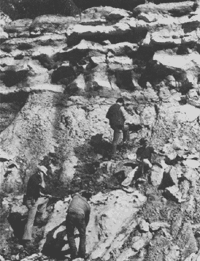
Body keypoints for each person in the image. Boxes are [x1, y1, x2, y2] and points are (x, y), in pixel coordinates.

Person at [22, 165, 50, 245]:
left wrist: (44, 195)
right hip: (31, 201)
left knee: (46, 199)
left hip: (34, 199)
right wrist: (42, 178)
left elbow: (38, 191)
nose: (43, 175)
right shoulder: (34, 179)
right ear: (39, 172)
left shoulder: (37, 178)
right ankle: (26, 239)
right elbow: (42, 186)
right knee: (30, 220)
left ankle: (38, 218)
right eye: (43, 173)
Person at [66, 190, 91, 260]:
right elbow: (87, 218)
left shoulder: (76, 196)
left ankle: (73, 252)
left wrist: (82, 191)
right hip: (80, 215)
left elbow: (74, 193)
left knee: (70, 234)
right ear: (88, 198)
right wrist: (84, 227)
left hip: (70, 214)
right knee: (82, 235)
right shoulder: (87, 206)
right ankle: (82, 254)